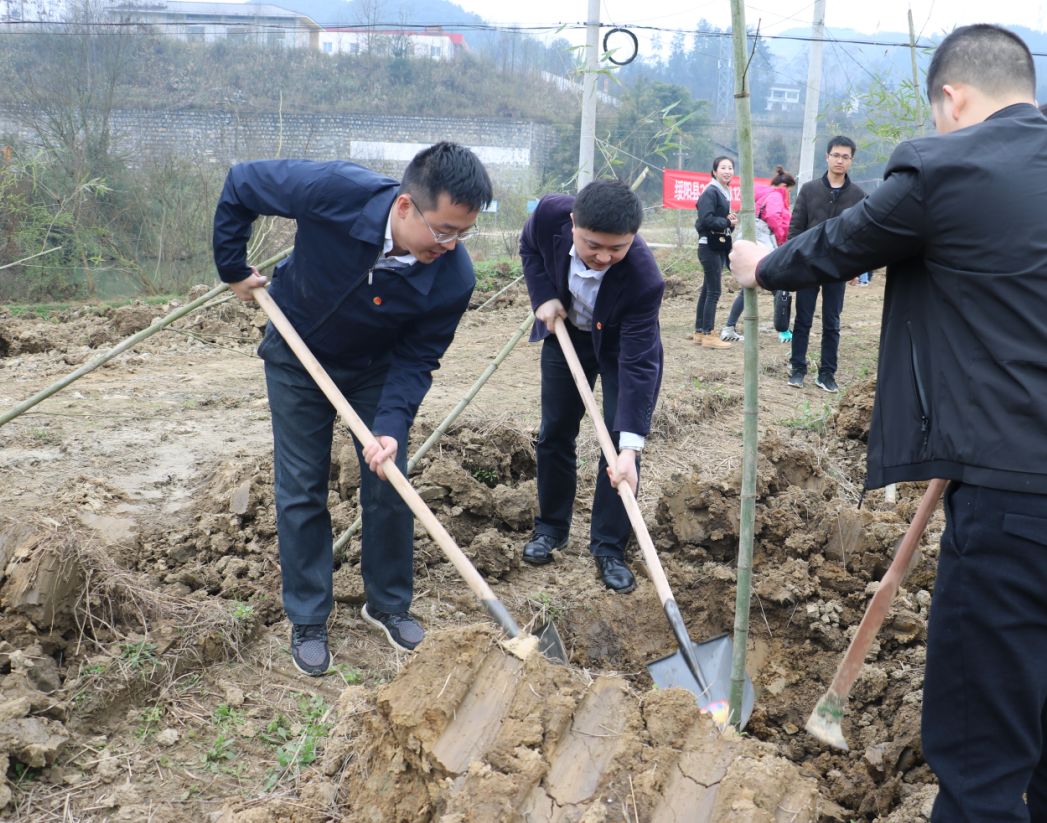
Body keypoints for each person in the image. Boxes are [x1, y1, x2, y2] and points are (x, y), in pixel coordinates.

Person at [730, 25, 1047, 822]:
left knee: (981, 757)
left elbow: (842, 244)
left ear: (952, 97)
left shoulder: (945, 164)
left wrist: (758, 267)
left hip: (1014, 500)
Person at [212, 143, 493, 675]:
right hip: (296, 353)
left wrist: (389, 427)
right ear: (406, 207)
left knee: (389, 481)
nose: (451, 244)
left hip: (375, 370)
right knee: (301, 485)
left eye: (462, 233)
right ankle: (309, 616)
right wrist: (231, 266)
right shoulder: (337, 191)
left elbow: (417, 359)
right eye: (443, 230)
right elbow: (242, 183)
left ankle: (387, 603)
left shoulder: (453, 277)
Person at [518, 180, 664, 594]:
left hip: (621, 349)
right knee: (555, 431)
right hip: (567, 335)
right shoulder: (549, 214)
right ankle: (550, 529)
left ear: (632, 238)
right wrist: (542, 295)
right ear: (572, 224)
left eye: (616, 249)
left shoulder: (644, 279)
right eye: (593, 245)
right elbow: (528, 247)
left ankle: (608, 547)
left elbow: (639, 363)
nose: (604, 257)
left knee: (619, 448)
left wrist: (632, 449)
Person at [784, 136, 865, 392]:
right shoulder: (809, 190)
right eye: (836, 155)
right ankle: (798, 368)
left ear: (851, 161)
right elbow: (796, 228)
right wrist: (795, 259)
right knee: (803, 319)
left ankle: (827, 373)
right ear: (827, 157)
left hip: (837, 267)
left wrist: (855, 267)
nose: (840, 160)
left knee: (832, 322)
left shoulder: (857, 195)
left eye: (845, 156)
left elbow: (861, 235)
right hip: (808, 265)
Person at [720, 165, 796, 342]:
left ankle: (729, 327)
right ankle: (783, 329)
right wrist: (781, 240)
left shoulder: (762, 194)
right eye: (790, 191)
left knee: (749, 286)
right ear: (785, 187)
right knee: (777, 280)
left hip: (748, 236)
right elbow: (773, 217)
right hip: (762, 239)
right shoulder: (776, 196)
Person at [692, 156, 738, 349]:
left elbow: (716, 220)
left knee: (707, 290)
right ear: (714, 171)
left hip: (715, 246)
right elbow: (705, 220)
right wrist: (726, 222)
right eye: (723, 168)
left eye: (730, 168)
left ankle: (699, 332)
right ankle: (709, 334)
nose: (727, 171)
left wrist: (728, 221)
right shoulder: (711, 192)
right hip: (709, 246)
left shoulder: (722, 192)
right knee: (714, 291)